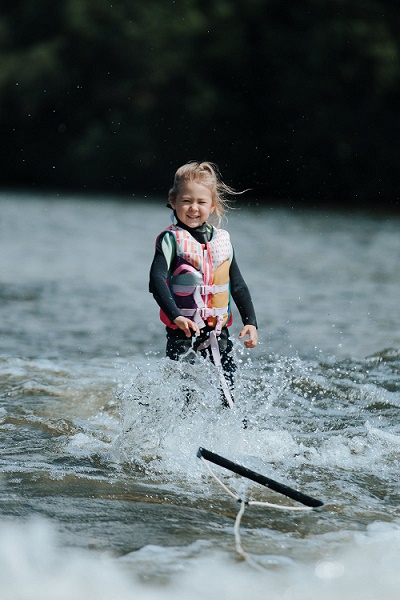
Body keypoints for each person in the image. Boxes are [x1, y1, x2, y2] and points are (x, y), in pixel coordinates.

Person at [149, 161, 258, 407]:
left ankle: (232, 434)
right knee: (185, 395)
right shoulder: (171, 240)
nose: (193, 208)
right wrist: (176, 316)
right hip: (183, 332)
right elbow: (156, 280)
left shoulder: (223, 241)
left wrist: (251, 322)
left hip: (218, 333)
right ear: (173, 200)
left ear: (213, 206)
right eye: (187, 201)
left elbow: (238, 284)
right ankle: (179, 436)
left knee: (227, 391)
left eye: (201, 202)